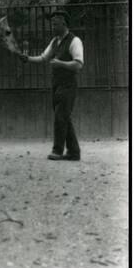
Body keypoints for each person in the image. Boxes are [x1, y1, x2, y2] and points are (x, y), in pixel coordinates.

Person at [21, 9, 84, 161]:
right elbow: (43, 58)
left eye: (55, 23)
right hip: (56, 84)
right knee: (64, 117)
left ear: (64, 22)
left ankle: (57, 151)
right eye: (52, 23)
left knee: (60, 117)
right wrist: (27, 58)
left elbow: (78, 64)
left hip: (68, 85)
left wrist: (60, 63)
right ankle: (74, 152)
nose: (52, 26)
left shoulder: (75, 41)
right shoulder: (55, 41)